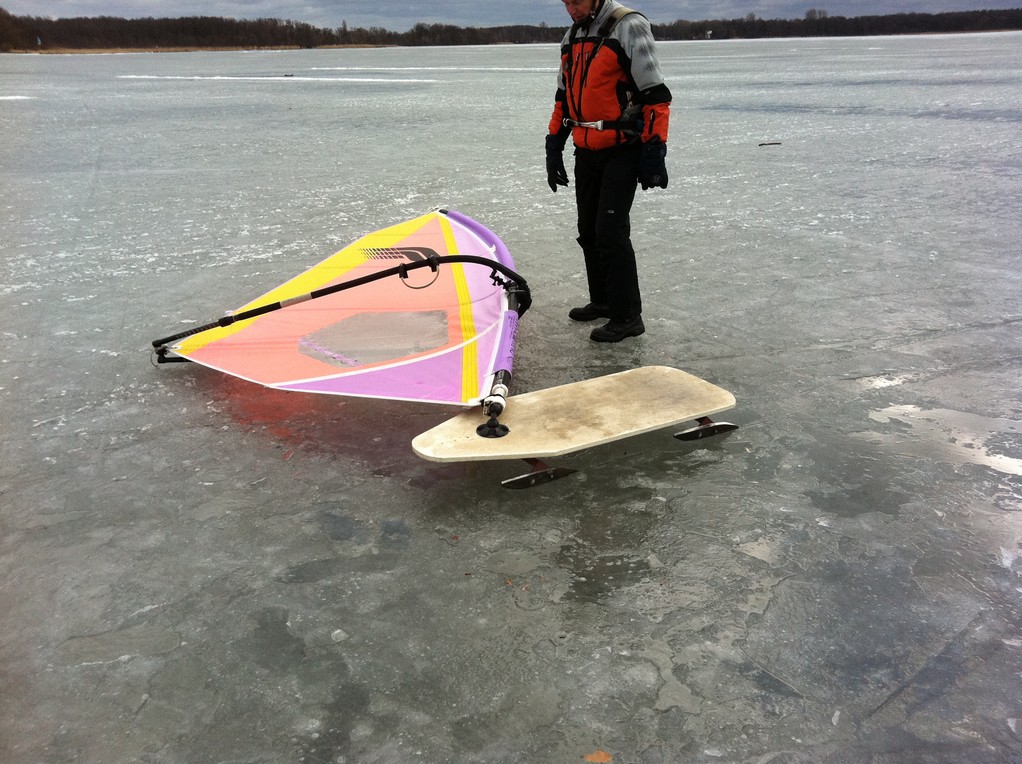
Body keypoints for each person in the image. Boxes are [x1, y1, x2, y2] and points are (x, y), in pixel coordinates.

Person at [546, 0, 671, 342]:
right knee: (588, 231)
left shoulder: (627, 25)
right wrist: (554, 144)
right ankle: (602, 300)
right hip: (586, 149)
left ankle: (628, 316)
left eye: (577, 1)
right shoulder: (572, 36)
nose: (570, 8)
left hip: (622, 148)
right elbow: (563, 96)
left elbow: (656, 94)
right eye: (565, 2)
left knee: (611, 234)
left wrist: (654, 150)